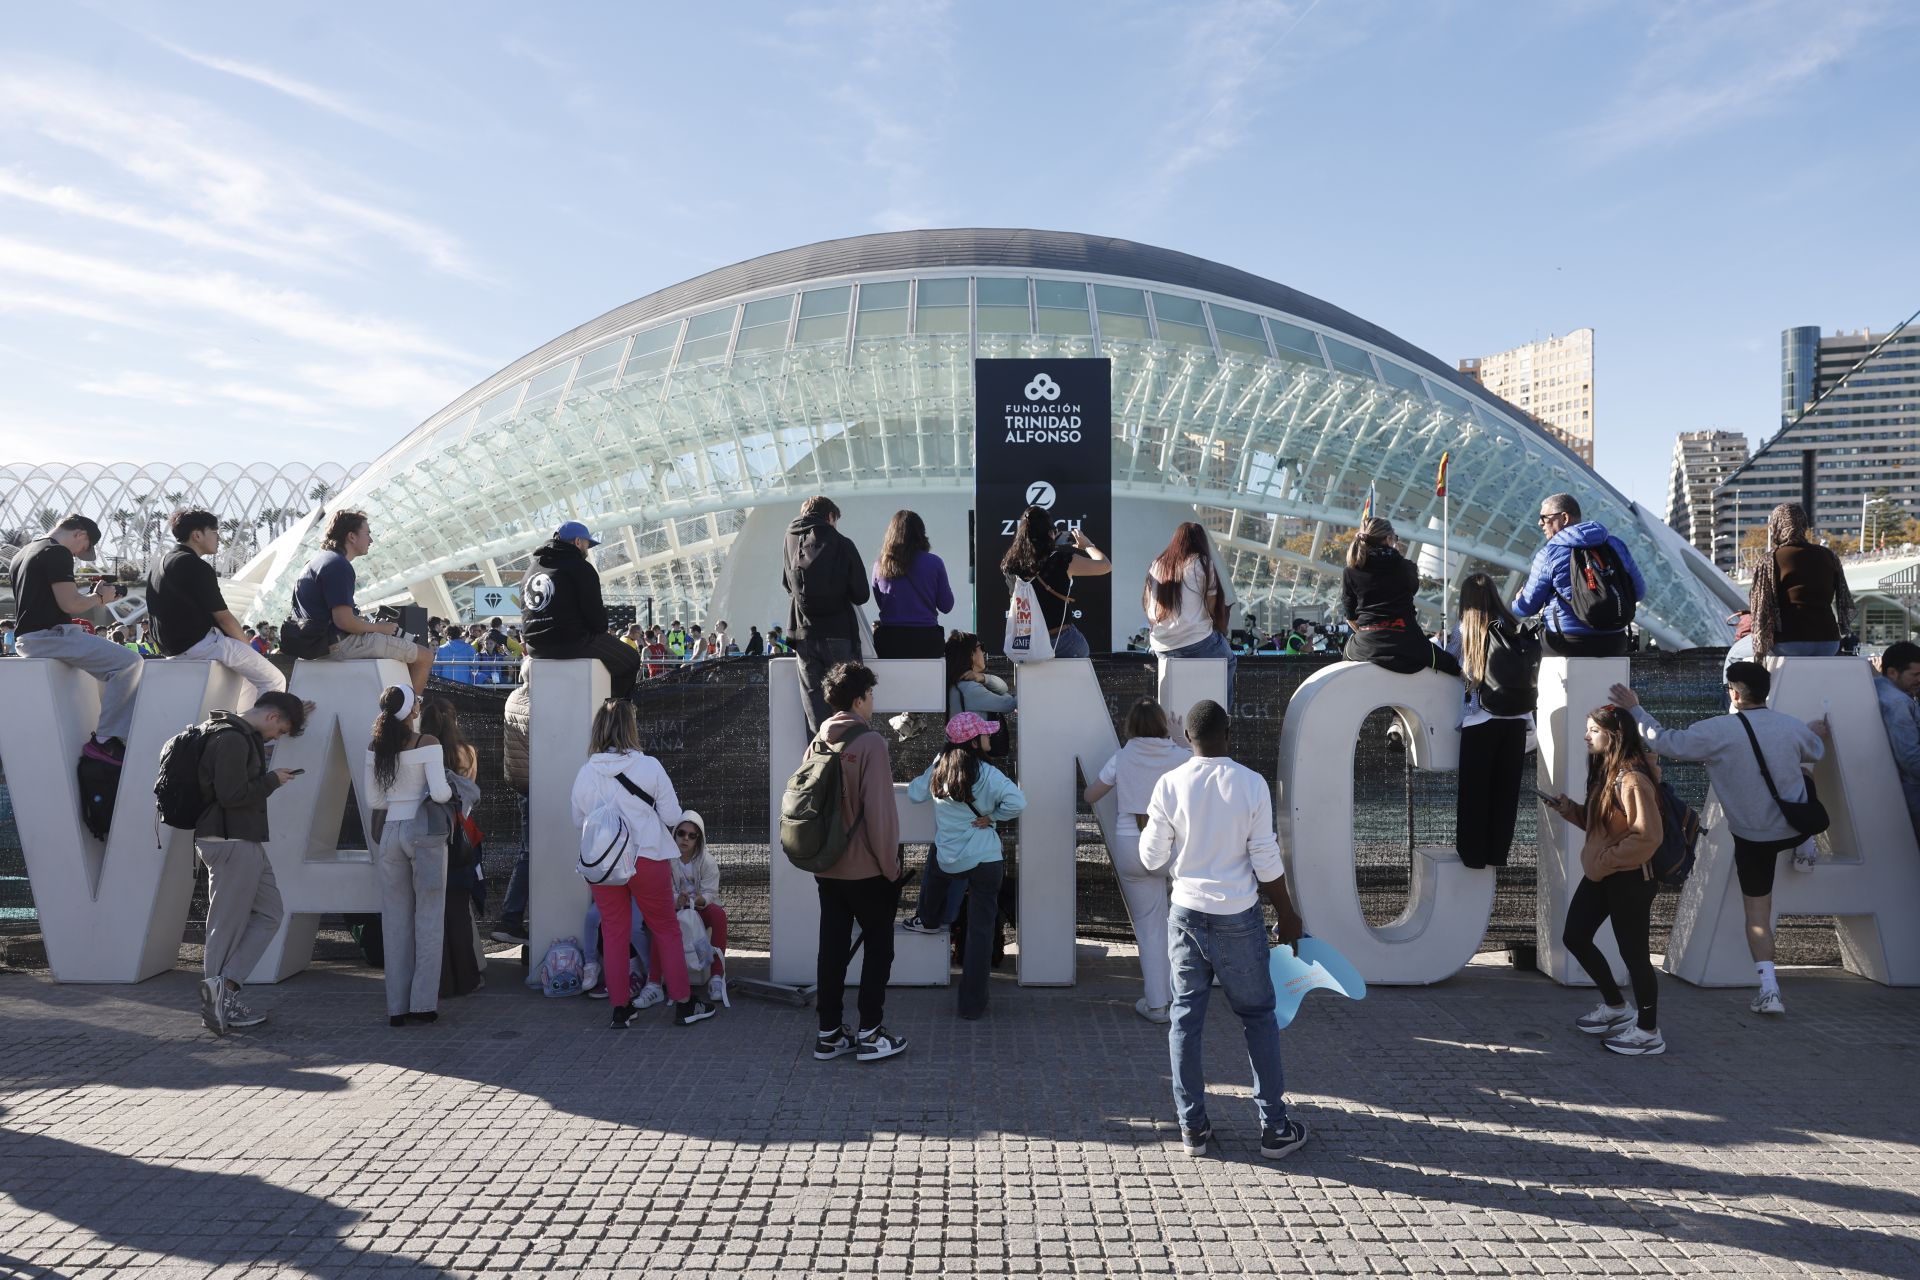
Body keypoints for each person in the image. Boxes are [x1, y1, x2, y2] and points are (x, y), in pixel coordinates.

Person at [1608, 663, 1828, 1015]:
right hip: (1793, 826)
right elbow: (1814, 750)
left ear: (1735, 693)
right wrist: (1814, 731)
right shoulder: (1791, 727)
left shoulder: (1717, 731)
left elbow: (1664, 741)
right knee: (1803, 775)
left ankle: (1770, 990)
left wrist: (1635, 707)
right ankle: (1806, 844)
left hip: (1753, 836)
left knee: (1758, 913)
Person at [1140, 699, 1308, 1160]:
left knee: (1185, 1021)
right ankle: (1275, 1128)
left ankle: (1193, 1129)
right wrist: (1289, 915)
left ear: (1187, 739)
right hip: (1239, 914)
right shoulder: (1251, 783)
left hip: (1187, 914)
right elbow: (1265, 858)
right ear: (1228, 731)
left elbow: (1151, 860)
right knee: (1258, 1018)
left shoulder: (1169, 785)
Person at [570, 697, 714, 1028]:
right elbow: (672, 816)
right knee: (665, 929)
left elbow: (579, 820)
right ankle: (683, 1003)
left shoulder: (585, 772)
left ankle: (621, 1008)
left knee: (615, 932)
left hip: (604, 867)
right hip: (646, 858)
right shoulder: (649, 766)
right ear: (631, 727)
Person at [1542, 704, 1667, 1055]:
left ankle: (1648, 1032)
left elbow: (1648, 836)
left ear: (1614, 736)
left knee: (1635, 955)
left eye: (1593, 730)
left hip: (1630, 878)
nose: (1586, 736)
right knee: (1575, 936)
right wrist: (1570, 810)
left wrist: (1604, 861)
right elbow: (1607, 828)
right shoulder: (1607, 773)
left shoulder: (1633, 778)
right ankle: (1615, 1007)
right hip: (1605, 873)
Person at [192, 691, 311, 1036]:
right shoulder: (232, 739)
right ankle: (215, 1005)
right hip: (230, 841)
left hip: (241, 841)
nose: (278, 738)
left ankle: (225, 991)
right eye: (282, 730)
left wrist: (298, 711)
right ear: (272, 718)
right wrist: (273, 781)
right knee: (225, 926)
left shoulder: (232, 731)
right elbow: (231, 795)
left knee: (271, 913)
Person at [809, 661, 908, 1062]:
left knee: (831, 948)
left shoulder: (820, 738)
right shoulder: (870, 743)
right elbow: (881, 814)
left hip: (826, 865)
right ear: (859, 698)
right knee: (879, 948)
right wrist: (891, 867)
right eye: (870, 694)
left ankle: (829, 1033)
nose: (873, 701)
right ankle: (871, 1032)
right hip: (866, 869)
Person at [904, 712, 1027, 1020]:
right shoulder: (990, 774)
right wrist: (993, 817)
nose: (989, 737)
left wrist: (935, 763)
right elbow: (1018, 803)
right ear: (974, 742)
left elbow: (915, 793)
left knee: (936, 859)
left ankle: (928, 917)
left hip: (951, 860)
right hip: (986, 861)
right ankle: (971, 1005)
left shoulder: (939, 769)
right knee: (981, 932)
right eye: (985, 734)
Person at [1084, 698, 1192, 1023]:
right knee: (1181, 924)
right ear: (1163, 724)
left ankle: (1157, 1005)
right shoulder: (1180, 757)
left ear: (1130, 726)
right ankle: (1181, 998)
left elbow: (1091, 795)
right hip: (1173, 848)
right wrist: (1181, 739)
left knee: (1149, 928)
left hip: (1132, 845)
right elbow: (1205, 765)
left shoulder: (1121, 757)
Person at [8, 514, 143, 762]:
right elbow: (70, 604)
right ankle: (105, 740)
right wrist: (101, 598)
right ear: (80, 534)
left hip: (29, 637)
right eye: (83, 548)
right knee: (130, 663)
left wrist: (93, 595)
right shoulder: (57, 552)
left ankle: (107, 732)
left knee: (111, 668)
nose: (79, 554)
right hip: (49, 636)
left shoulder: (24, 553)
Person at [365, 684, 452, 1027]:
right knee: (428, 918)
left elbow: (375, 801)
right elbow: (442, 794)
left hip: (389, 834)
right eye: (416, 701)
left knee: (395, 920)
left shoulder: (376, 746)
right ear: (412, 711)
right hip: (423, 833)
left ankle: (396, 1008)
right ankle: (423, 1005)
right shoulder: (427, 743)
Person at [1448, 573, 1540, 869]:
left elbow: (1449, 661)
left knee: (1475, 792)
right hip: (1516, 718)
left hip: (1480, 719)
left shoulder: (1465, 630)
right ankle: (1497, 853)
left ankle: (1472, 856)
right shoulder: (1512, 627)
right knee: (1506, 792)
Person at [149, 512, 289, 705]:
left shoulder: (159, 565)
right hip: (201, 645)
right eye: (214, 532)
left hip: (171, 649)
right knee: (274, 679)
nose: (219, 538)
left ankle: (242, 724)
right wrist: (249, 650)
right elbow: (223, 617)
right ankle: (257, 731)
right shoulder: (196, 566)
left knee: (248, 680)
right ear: (197, 535)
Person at [289, 511, 434, 696]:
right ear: (351, 536)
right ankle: (410, 713)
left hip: (315, 645)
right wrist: (380, 628)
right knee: (424, 657)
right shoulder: (339, 566)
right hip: (339, 644)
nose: (371, 540)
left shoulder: (314, 563)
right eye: (367, 533)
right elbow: (344, 622)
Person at [1512, 493, 1646, 657]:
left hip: (1566, 643)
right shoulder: (1616, 545)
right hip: (1615, 642)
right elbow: (1639, 592)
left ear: (1564, 518)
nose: (1540, 523)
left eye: (1544, 517)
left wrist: (1517, 601)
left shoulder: (1548, 554)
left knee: (1527, 648)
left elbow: (1527, 607)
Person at [518, 521, 642, 696]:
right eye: (587, 544)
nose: (587, 549)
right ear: (577, 542)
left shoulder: (530, 570)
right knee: (631, 659)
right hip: (570, 642)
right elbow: (598, 621)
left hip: (535, 648)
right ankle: (613, 712)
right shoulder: (580, 567)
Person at [782, 496, 872, 734]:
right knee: (848, 703)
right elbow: (861, 594)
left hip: (803, 634)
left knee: (815, 710)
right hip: (839, 633)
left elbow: (787, 583)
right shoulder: (842, 543)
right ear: (830, 517)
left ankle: (820, 761)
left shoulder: (790, 540)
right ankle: (850, 760)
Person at [420, 699, 484, 999]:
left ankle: (439, 979)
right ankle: (467, 977)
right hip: (461, 835)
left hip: (426, 832)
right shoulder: (467, 752)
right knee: (458, 909)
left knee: (429, 910)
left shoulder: (417, 750)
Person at [1340, 517, 1460, 675]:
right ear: (1389, 539)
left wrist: (1369, 632)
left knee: (1344, 663)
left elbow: (1350, 616)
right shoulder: (1407, 568)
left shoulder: (1350, 571)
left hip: (1366, 644)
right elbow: (1411, 591)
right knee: (1451, 666)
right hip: (1408, 642)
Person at [999, 506, 1111, 659]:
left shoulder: (1010, 565)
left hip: (1027, 644)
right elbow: (1105, 566)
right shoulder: (1061, 560)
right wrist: (1087, 545)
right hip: (1062, 641)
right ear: (1051, 533)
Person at [1749, 502, 1854, 658]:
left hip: (1789, 641)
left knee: (1738, 652)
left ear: (1777, 526)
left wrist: (1759, 650)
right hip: (1829, 640)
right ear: (1804, 525)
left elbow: (1760, 605)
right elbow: (1844, 597)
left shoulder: (1769, 559)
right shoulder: (1829, 555)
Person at [1145, 521, 1236, 699]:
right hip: (1196, 641)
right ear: (1201, 542)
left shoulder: (1156, 564)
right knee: (1229, 661)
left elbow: (1149, 604)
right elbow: (1212, 606)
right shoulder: (1201, 562)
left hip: (1161, 644)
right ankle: (1222, 718)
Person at [664, 810, 729, 1007]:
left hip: (699, 906)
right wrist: (677, 899)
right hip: (675, 906)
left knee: (719, 915)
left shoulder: (707, 861)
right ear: (674, 834)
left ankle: (716, 977)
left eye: (692, 836)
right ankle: (653, 983)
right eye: (681, 833)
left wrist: (701, 900)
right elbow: (664, 890)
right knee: (659, 921)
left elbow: (711, 892)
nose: (685, 839)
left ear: (699, 839)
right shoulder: (666, 859)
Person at [871, 509, 954, 659]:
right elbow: (946, 606)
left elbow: (881, 603)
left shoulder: (880, 565)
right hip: (926, 642)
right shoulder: (934, 562)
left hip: (889, 642)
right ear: (921, 534)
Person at [491, 674, 533, 946]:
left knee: (528, 851)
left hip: (522, 781)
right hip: (537, 784)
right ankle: (511, 919)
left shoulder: (514, 697)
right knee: (529, 853)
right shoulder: (538, 705)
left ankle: (512, 918)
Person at [1873, 641, 1920, 839]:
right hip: (1913, 790)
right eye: (1915, 675)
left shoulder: (1877, 687)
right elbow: (1909, 757)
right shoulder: (1897, 703)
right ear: (1892, 672)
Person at [944, 630, 1016, 719]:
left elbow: (1004, 687)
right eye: (981, 648)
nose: (984, 652)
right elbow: (1010, 704)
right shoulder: (970, 689)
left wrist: (983, 678)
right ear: (971, 654)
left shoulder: (956, 683)